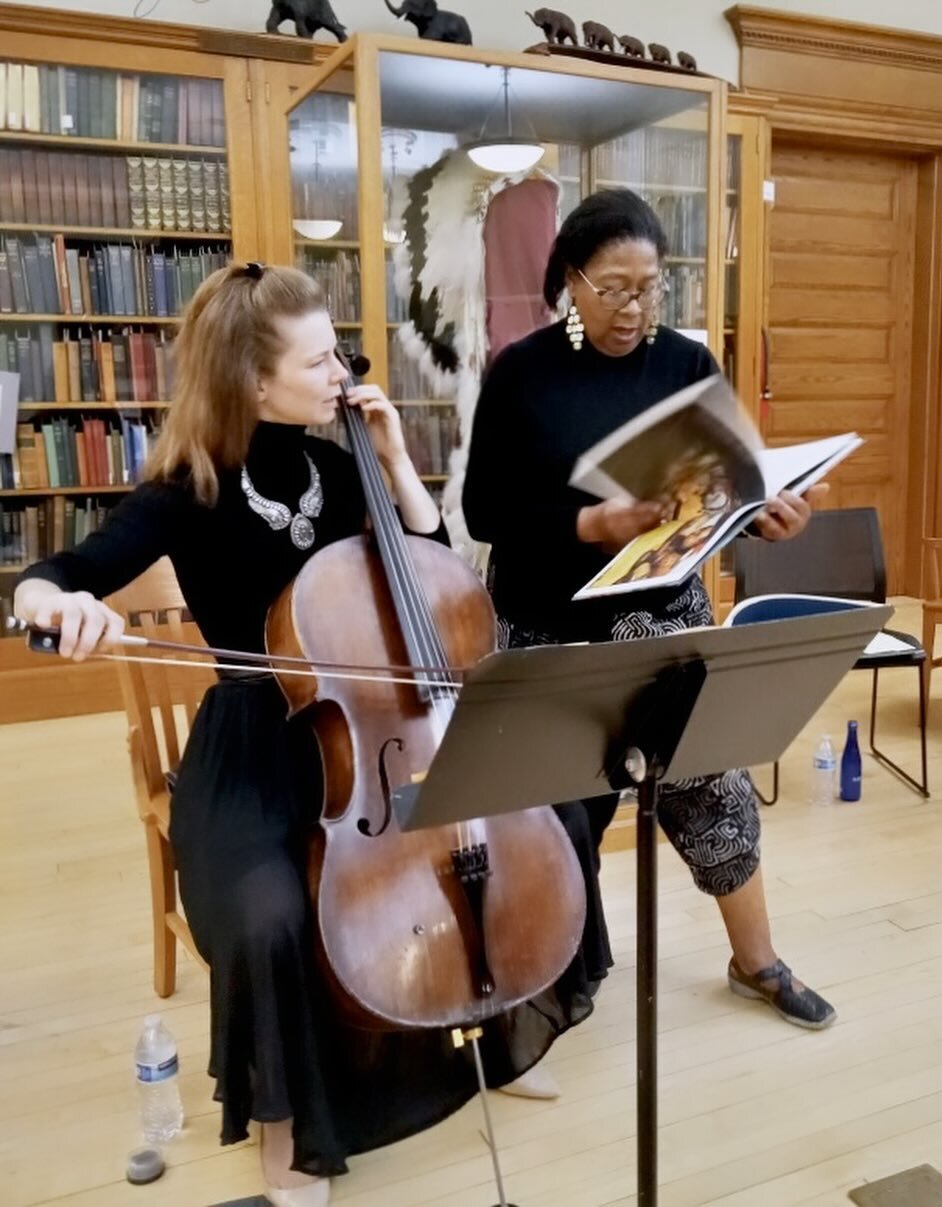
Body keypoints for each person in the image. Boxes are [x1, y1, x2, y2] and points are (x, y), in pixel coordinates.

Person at [13, 264, 611, 1206]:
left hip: (378, 731)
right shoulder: (184, 489)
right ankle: (285, 1127)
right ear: (252, 380)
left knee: (551, 816)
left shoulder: (340, 467)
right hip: (256, 747)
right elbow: (63, 568)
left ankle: (501, 1025)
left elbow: (437, 577)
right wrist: (50, 600)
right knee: (267, 915)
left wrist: (395, 455)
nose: (343, 368)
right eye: (322, 356)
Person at [462, 188, 837, 1033]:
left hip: (661, 607)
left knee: (711, 780)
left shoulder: (685, 367)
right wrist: (586, 523)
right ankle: (561, 969)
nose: (635, 308)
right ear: (570, 279)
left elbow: (726, 491)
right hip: (549, 619)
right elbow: (485, 514)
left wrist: (765, 516)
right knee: (562, 809)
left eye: (651, 287)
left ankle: (757, 960)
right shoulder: (521, 371)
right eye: (615, 288)